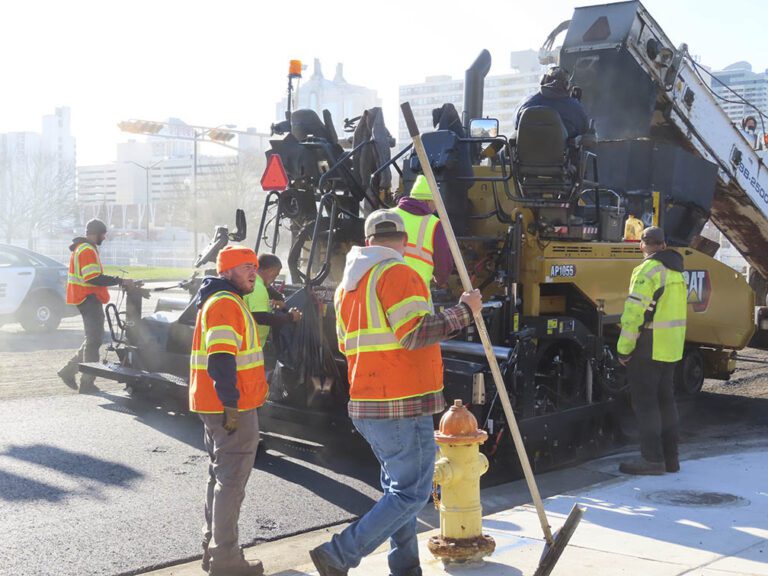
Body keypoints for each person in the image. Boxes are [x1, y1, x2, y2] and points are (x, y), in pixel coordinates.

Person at [310, 210, 482, 576]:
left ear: (368, 241)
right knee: (411, 494)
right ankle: (339, 554)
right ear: (403, 240)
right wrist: (465, 312)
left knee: (398, 490)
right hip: (402, 402)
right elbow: (414, 333)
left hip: (368, 402)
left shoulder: (347, 287)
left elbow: (344, 344)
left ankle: (404, 567)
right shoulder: (399, 273)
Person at [190, 245, 267, 576]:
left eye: (255, 266)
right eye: (245, 266)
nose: (253, 272)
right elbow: (220, 358)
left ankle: (214, 549)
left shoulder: (223, 299)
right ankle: (225, 559)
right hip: (231, 407)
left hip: (217, 405)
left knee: (220, 476)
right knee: (231, 481)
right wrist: (231, 405)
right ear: (226, 271)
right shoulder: (225, 303)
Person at [617, 226, 687, 475]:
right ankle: (671, 459)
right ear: (664, 245)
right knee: (666, 402)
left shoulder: (647, 270)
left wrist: (624, 350)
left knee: (646, 405)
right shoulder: (677, 271)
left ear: (642, 245)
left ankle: (652, 460)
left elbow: (634, 314)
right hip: (672, 347)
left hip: (649, 346)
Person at [57, 218, 134, 394]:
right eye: (103, 234)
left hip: (83, 298)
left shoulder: (82, 248)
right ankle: (87, 383)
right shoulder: (87, 250)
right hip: (88, 298)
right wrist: (120, 280)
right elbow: (92, 278)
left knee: (93, 339)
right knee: (94, 341)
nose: (104, 238)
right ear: (95, 233)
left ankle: (68, 371)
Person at [393, 175, 454, 291]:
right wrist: (441, 280)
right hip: (416, 291)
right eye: (435, 203)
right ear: (427, 201)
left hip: (385, 286)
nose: (436, 208)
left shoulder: (389, 215)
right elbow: (442, 261)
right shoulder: (434, 224)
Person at [242, 254, 301, 346]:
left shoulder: (253, 283)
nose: (274, 279)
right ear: (271, 271)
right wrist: (290, 317)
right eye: (275, 275)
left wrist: (271, 305)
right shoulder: (258, 287)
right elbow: (260, 317)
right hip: (250, 344)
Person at [515, 66, 589, 139]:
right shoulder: (573, 106)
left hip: (528, 146)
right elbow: (584, 128)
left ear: (543, 80)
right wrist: (576, 102)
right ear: (566, 85)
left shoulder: (525, 102)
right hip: (561, 147)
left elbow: (516, 125)